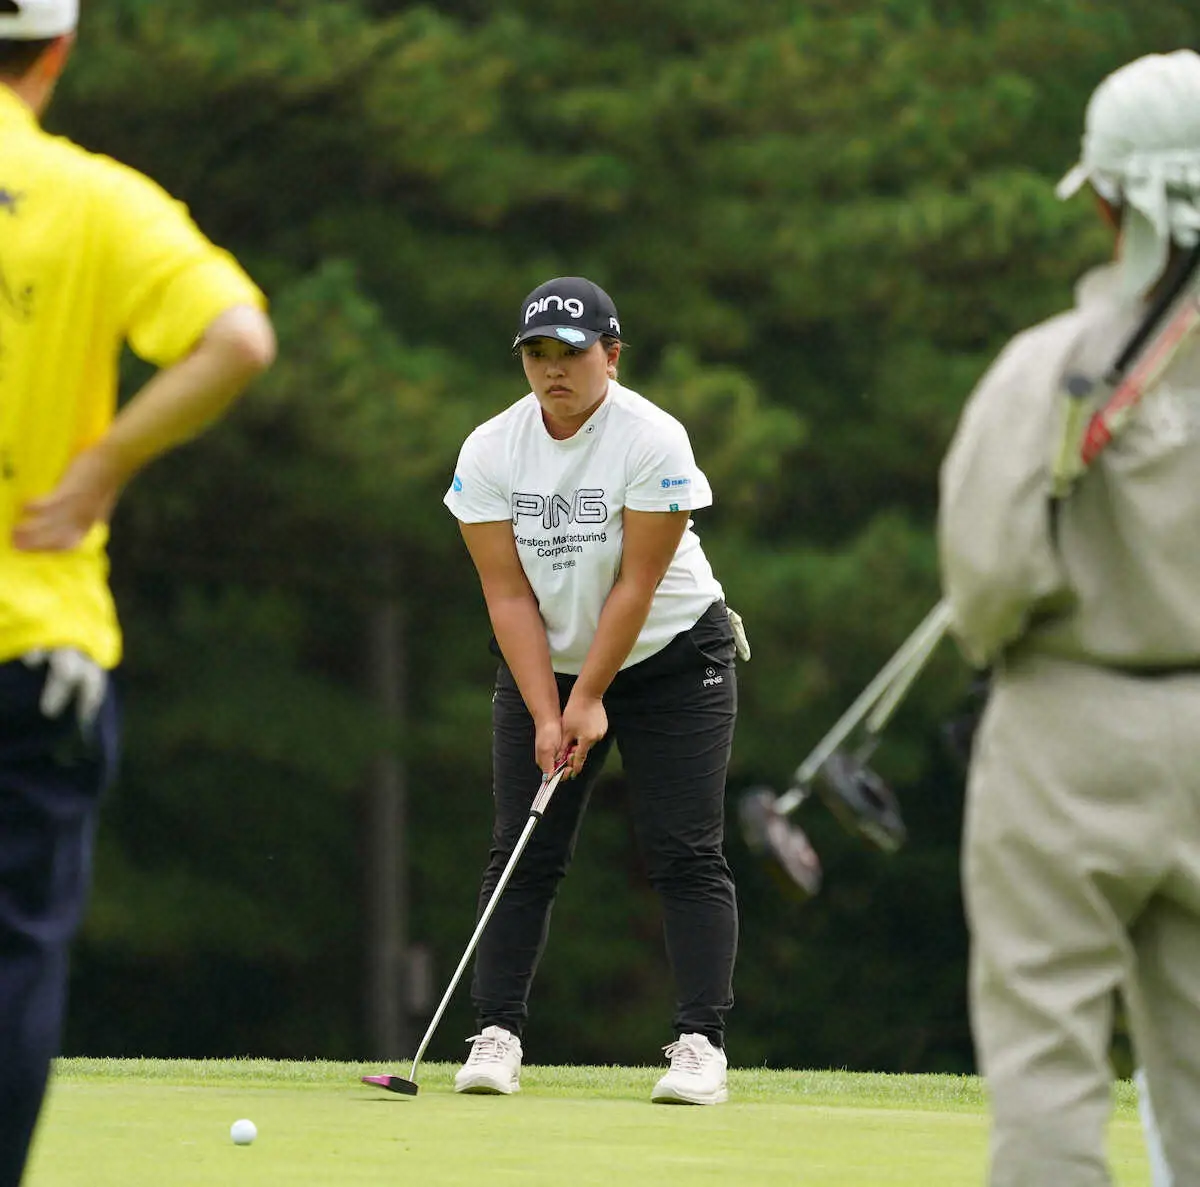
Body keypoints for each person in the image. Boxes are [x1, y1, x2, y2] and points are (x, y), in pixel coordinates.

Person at [0, 3, 276, 1183]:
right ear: (57, 52)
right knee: (12, 963)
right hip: (38, 649)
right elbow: (237, 337)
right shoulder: (96, 198)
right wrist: (101, 466)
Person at [938, 49, 1200, 1187]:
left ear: (1102, 195)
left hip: (1065, 721)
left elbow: (985, 588)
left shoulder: (1043, 369)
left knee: (1048, 1057)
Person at [443, 276, 744, 1105]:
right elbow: (506, 595)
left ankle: (700, 1045)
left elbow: (637, 585)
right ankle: (496, 1033)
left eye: (571, 354)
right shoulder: (491, 450)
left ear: (611, 354)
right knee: (525, 847)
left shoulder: (652, 439)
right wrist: (549, 707)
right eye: (538, 355)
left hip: (675, 657)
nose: (553, 371)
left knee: (685, 850)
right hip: (549, 661)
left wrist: (588, 698)